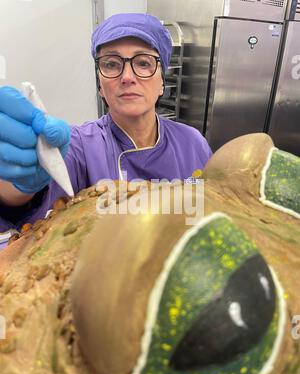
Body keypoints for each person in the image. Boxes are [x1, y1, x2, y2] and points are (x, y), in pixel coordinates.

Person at [0, 13, 212, 235]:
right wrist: (16, 184)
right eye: (111, 64)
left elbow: (208, 212)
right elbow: (22, 207)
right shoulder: (80, 146)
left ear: (162, 82)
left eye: (143, 62)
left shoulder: (193, 143)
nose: (127, 76)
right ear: (101, 86)